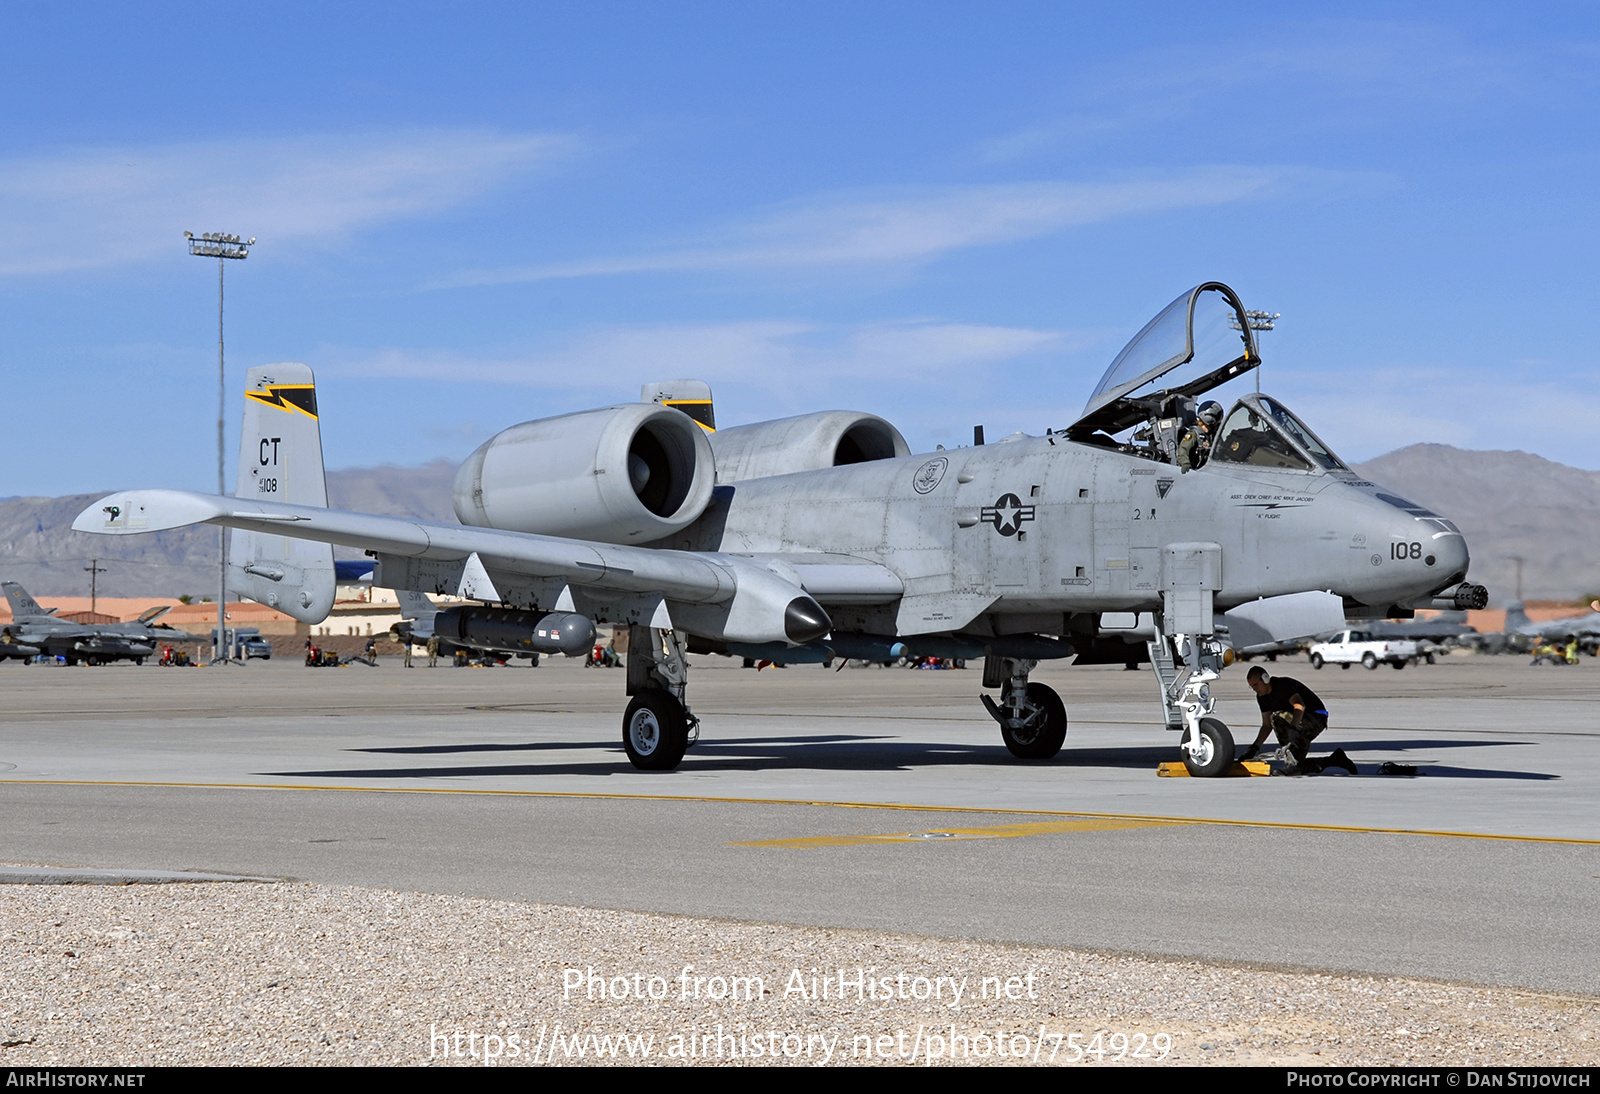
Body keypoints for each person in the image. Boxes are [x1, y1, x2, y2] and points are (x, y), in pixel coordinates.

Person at [1240, 666, 1356, 775]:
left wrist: (1293, 729)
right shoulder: (1262, 697)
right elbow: (1266, 726)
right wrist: (1254, 747)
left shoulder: (1282, 685)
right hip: (1298, 724)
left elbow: (1299, 706)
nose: (1255, 689)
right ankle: (1336, 760)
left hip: (1316, 718)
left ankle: (1291, 755)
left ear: (1265, 679)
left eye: (1256, 684)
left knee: (1276, 717)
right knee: (1296, 766)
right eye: (1252, 686)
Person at [1176, 401, 1223, 471]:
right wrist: (1185, 463)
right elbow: (1183, 448)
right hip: (1195, 470)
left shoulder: (1213, 435)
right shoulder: (1194, 433)